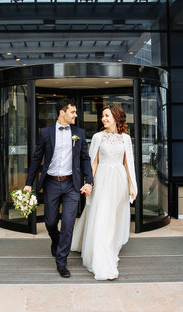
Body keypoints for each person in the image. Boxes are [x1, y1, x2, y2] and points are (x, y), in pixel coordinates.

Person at [24, 99, 94, 278]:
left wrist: (89, 181)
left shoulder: (79, 133)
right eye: (73, 112)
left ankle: (61, 262)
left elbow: (85, 159)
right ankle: (55, 240)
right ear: (62, 112)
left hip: (72, 184)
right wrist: (28, 183)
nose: (76, 115)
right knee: (49, 221)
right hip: (51, 183)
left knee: (69, 224)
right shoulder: (46, 132)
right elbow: (36, 158)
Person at [71, 103, 138, 281]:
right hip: (102, 180)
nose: (104, 119)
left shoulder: (125, 139)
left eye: (107, 116)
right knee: (102, 218)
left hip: (119, 181)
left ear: (116, 117)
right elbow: (92, 163)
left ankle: (110, 248)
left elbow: (128, 164)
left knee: (114, 219)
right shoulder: (98, 137)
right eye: (103, 116)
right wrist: (89, 183)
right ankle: (102, 261)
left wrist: (132, 185)